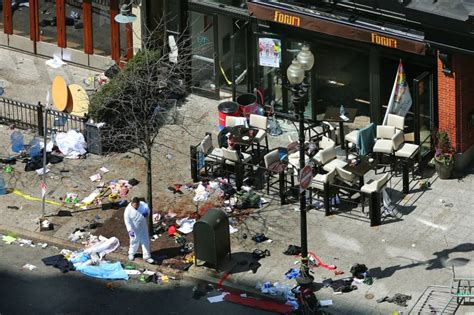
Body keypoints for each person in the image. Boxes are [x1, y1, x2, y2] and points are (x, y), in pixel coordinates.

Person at [123, 197, 154, 264]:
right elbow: (127, 222)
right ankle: (131, 253)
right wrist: (130, 230)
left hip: (143, 227)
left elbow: (147, 208)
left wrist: (147, 212)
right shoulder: (128, 210)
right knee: (134, 241)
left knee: (145, 241)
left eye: (137, 205)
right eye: (135, 205)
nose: (136, 206)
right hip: (134, 229)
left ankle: (147, 257)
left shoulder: (142, 204)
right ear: (132, 203)